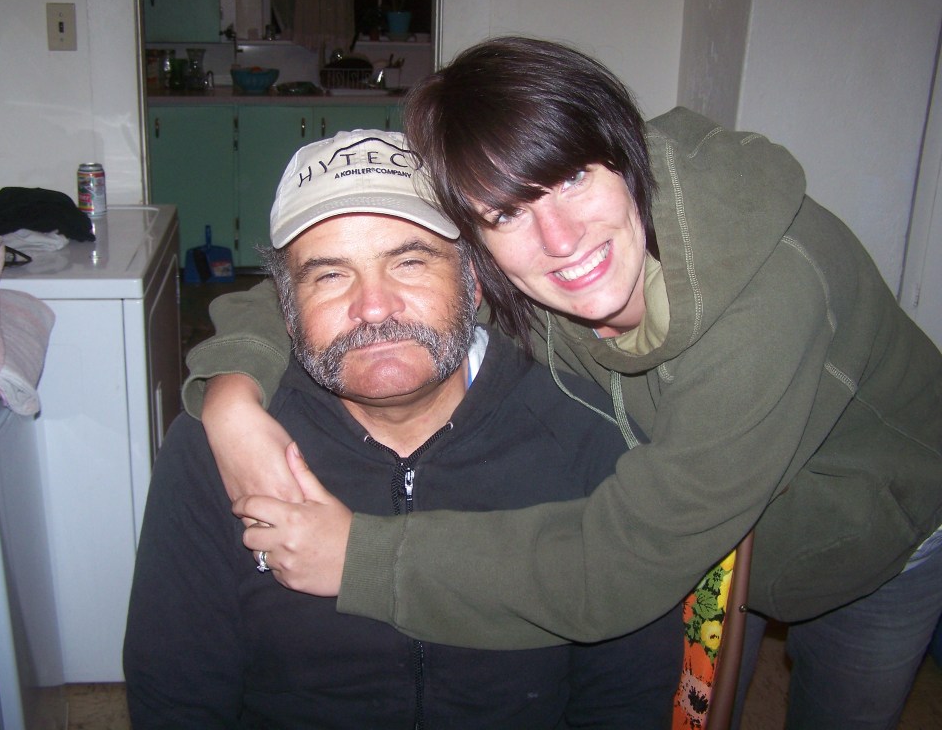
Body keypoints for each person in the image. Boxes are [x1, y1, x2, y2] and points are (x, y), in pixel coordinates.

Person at [183, 39, 942, 730]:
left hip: (874, 537)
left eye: (573, 177)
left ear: (625, 149)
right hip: (707, 532)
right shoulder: (524, 273)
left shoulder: (772, 297)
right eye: (506, 212)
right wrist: (229, 393)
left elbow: (619, 566)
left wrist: (359, 557)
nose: (560, 239)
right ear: (475, 250)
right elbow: (343, 281)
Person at [124, 129, 682, 728]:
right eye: (330, 276)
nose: (374, 307)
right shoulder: (214, 449)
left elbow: (625, 694)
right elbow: (176, 694)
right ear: (286, 309)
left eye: (410, 262)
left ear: (473, 280)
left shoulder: (585, 428)